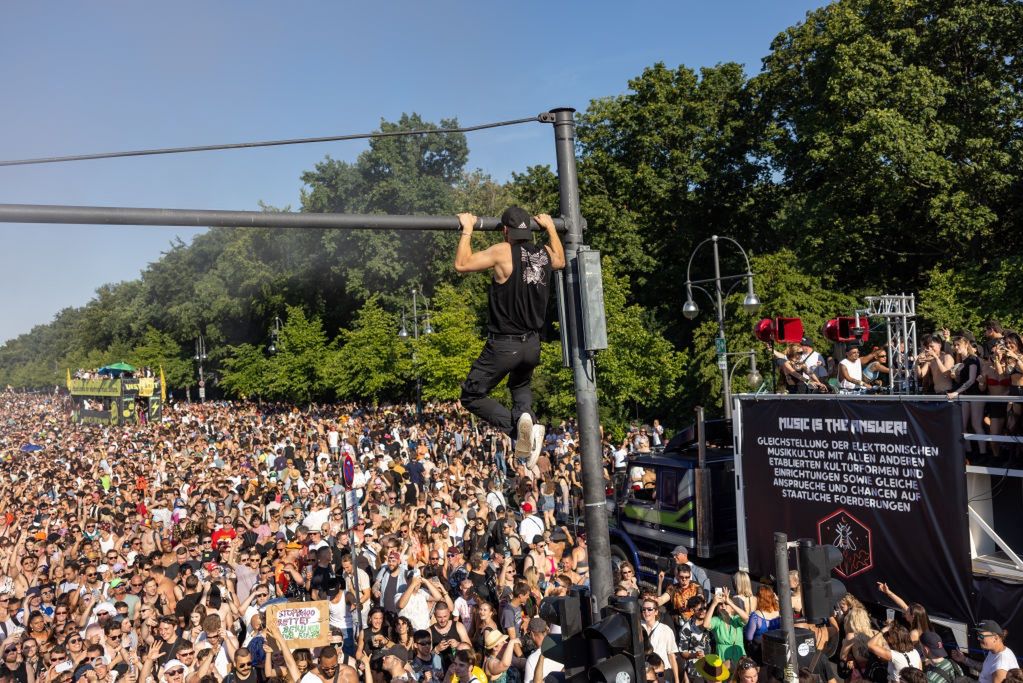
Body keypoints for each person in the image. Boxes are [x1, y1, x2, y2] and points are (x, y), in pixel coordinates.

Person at [454, 208, 566, 465]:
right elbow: (560, 260)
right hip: (532, 344)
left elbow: (461, 264)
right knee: (519, 386)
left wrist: (468, 228)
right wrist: (550, 227)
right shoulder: (544, 253)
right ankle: (527, 421)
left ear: (506, 231)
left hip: (504, 344)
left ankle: (519, 430)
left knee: (471, 396)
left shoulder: (502, 251)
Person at [950, 621, 1017, 683]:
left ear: (995, 638)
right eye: (978, 635)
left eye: (981, 636)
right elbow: (986, 669)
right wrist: (963, 659)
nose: (978, 638)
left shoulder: (1001, 666)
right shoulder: (995, 651)